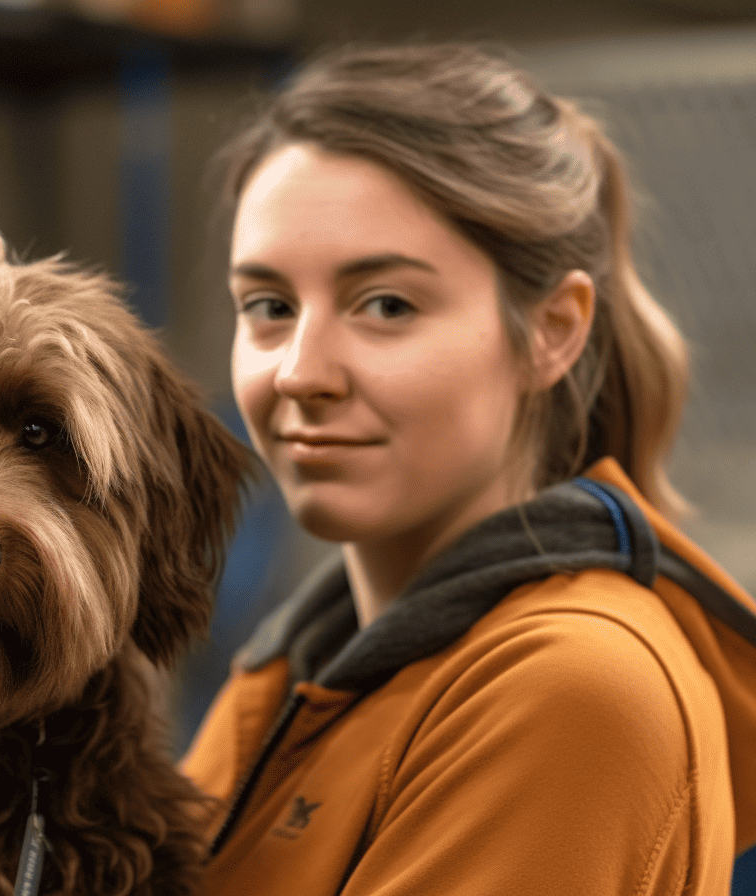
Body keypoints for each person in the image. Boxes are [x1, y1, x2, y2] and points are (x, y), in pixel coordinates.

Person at [181, 43, 756, 895]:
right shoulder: (302, 662)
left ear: (554, 330)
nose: (300, 371)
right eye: (269, 307)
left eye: (386, 306)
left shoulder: (570, 687)